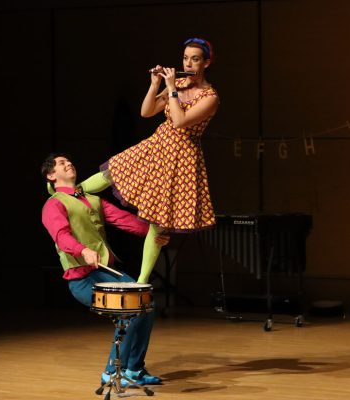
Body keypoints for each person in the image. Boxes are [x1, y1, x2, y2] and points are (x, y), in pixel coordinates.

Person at [79, 37, 219, 284]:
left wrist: (173, 88)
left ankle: (141, 283)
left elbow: (180, 121)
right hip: (158, 146)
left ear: (206, 63)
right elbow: (146, 112)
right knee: (116, 169)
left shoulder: (210, 97)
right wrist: (155, 85)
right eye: (185, 58)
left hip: (182, 160)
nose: (188, 63)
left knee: (159, 222)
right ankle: (70, 194)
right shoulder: (180, 82)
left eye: (195, 59)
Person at [40, 152, 168, 386]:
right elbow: (61, 236)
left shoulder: (93, 199)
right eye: (61, 163)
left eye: (69, 160)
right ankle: (111, 371)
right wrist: (82, 250)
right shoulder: (54, 204)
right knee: (129, 311)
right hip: (82, 278)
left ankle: (133, 370)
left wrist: (154, 231)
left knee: (146, 304)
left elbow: (125, 221)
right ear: (51, 175)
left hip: (105, 272)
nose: (68, 163)